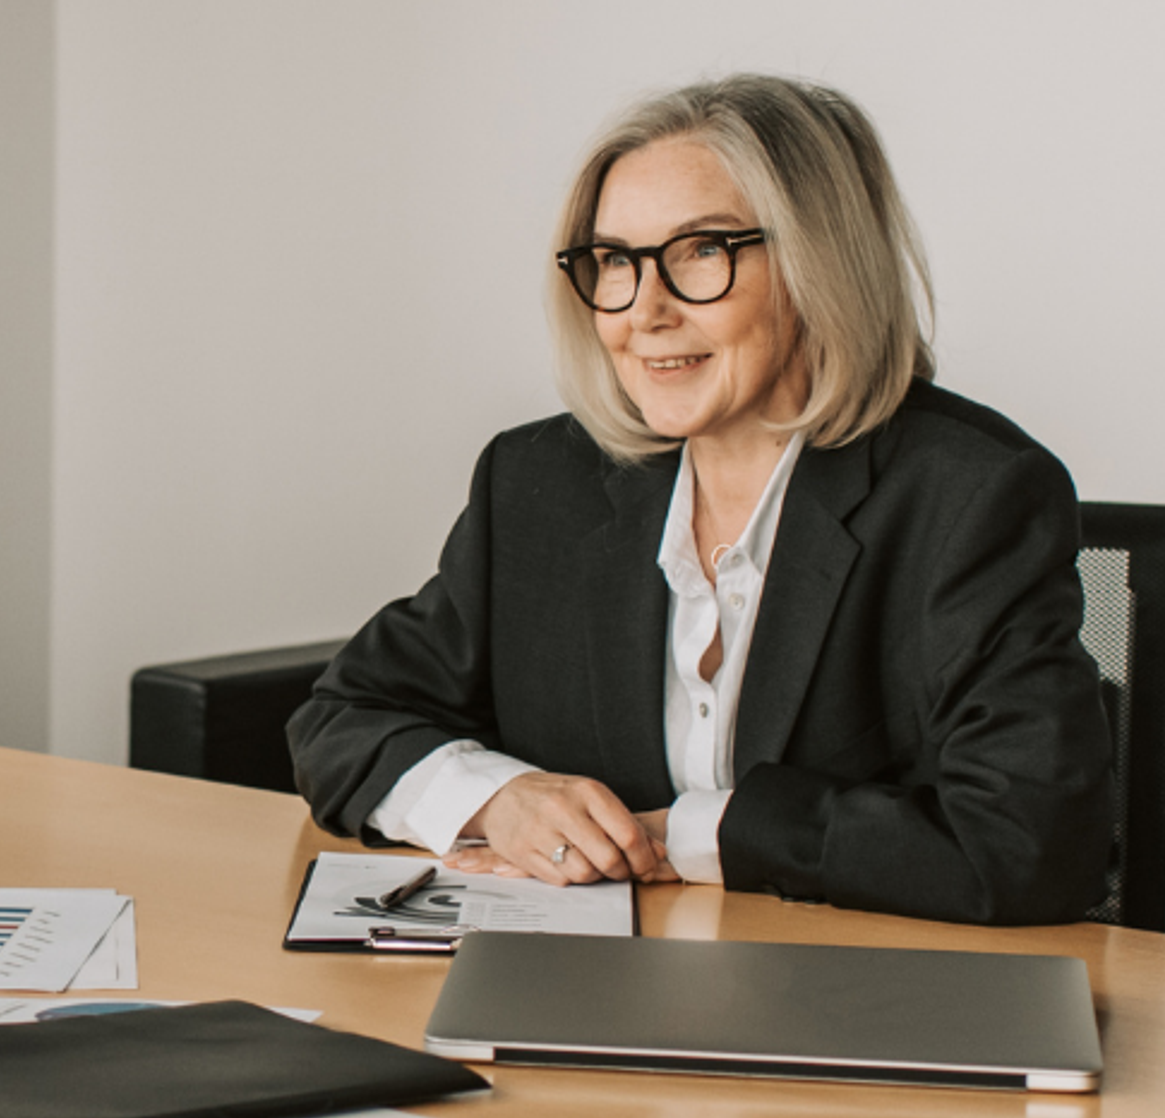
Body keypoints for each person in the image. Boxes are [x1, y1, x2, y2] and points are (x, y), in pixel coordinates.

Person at [289, 75, 1111, 926]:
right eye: (614, 261)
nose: (644, 310)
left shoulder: (972, 496)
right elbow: (341, 718)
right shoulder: (539, 483)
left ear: (816, 264)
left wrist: (693, 836)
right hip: (591, 996)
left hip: (846, 1004)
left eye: (700, 253)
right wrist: (500, 799)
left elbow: (1027, 845)